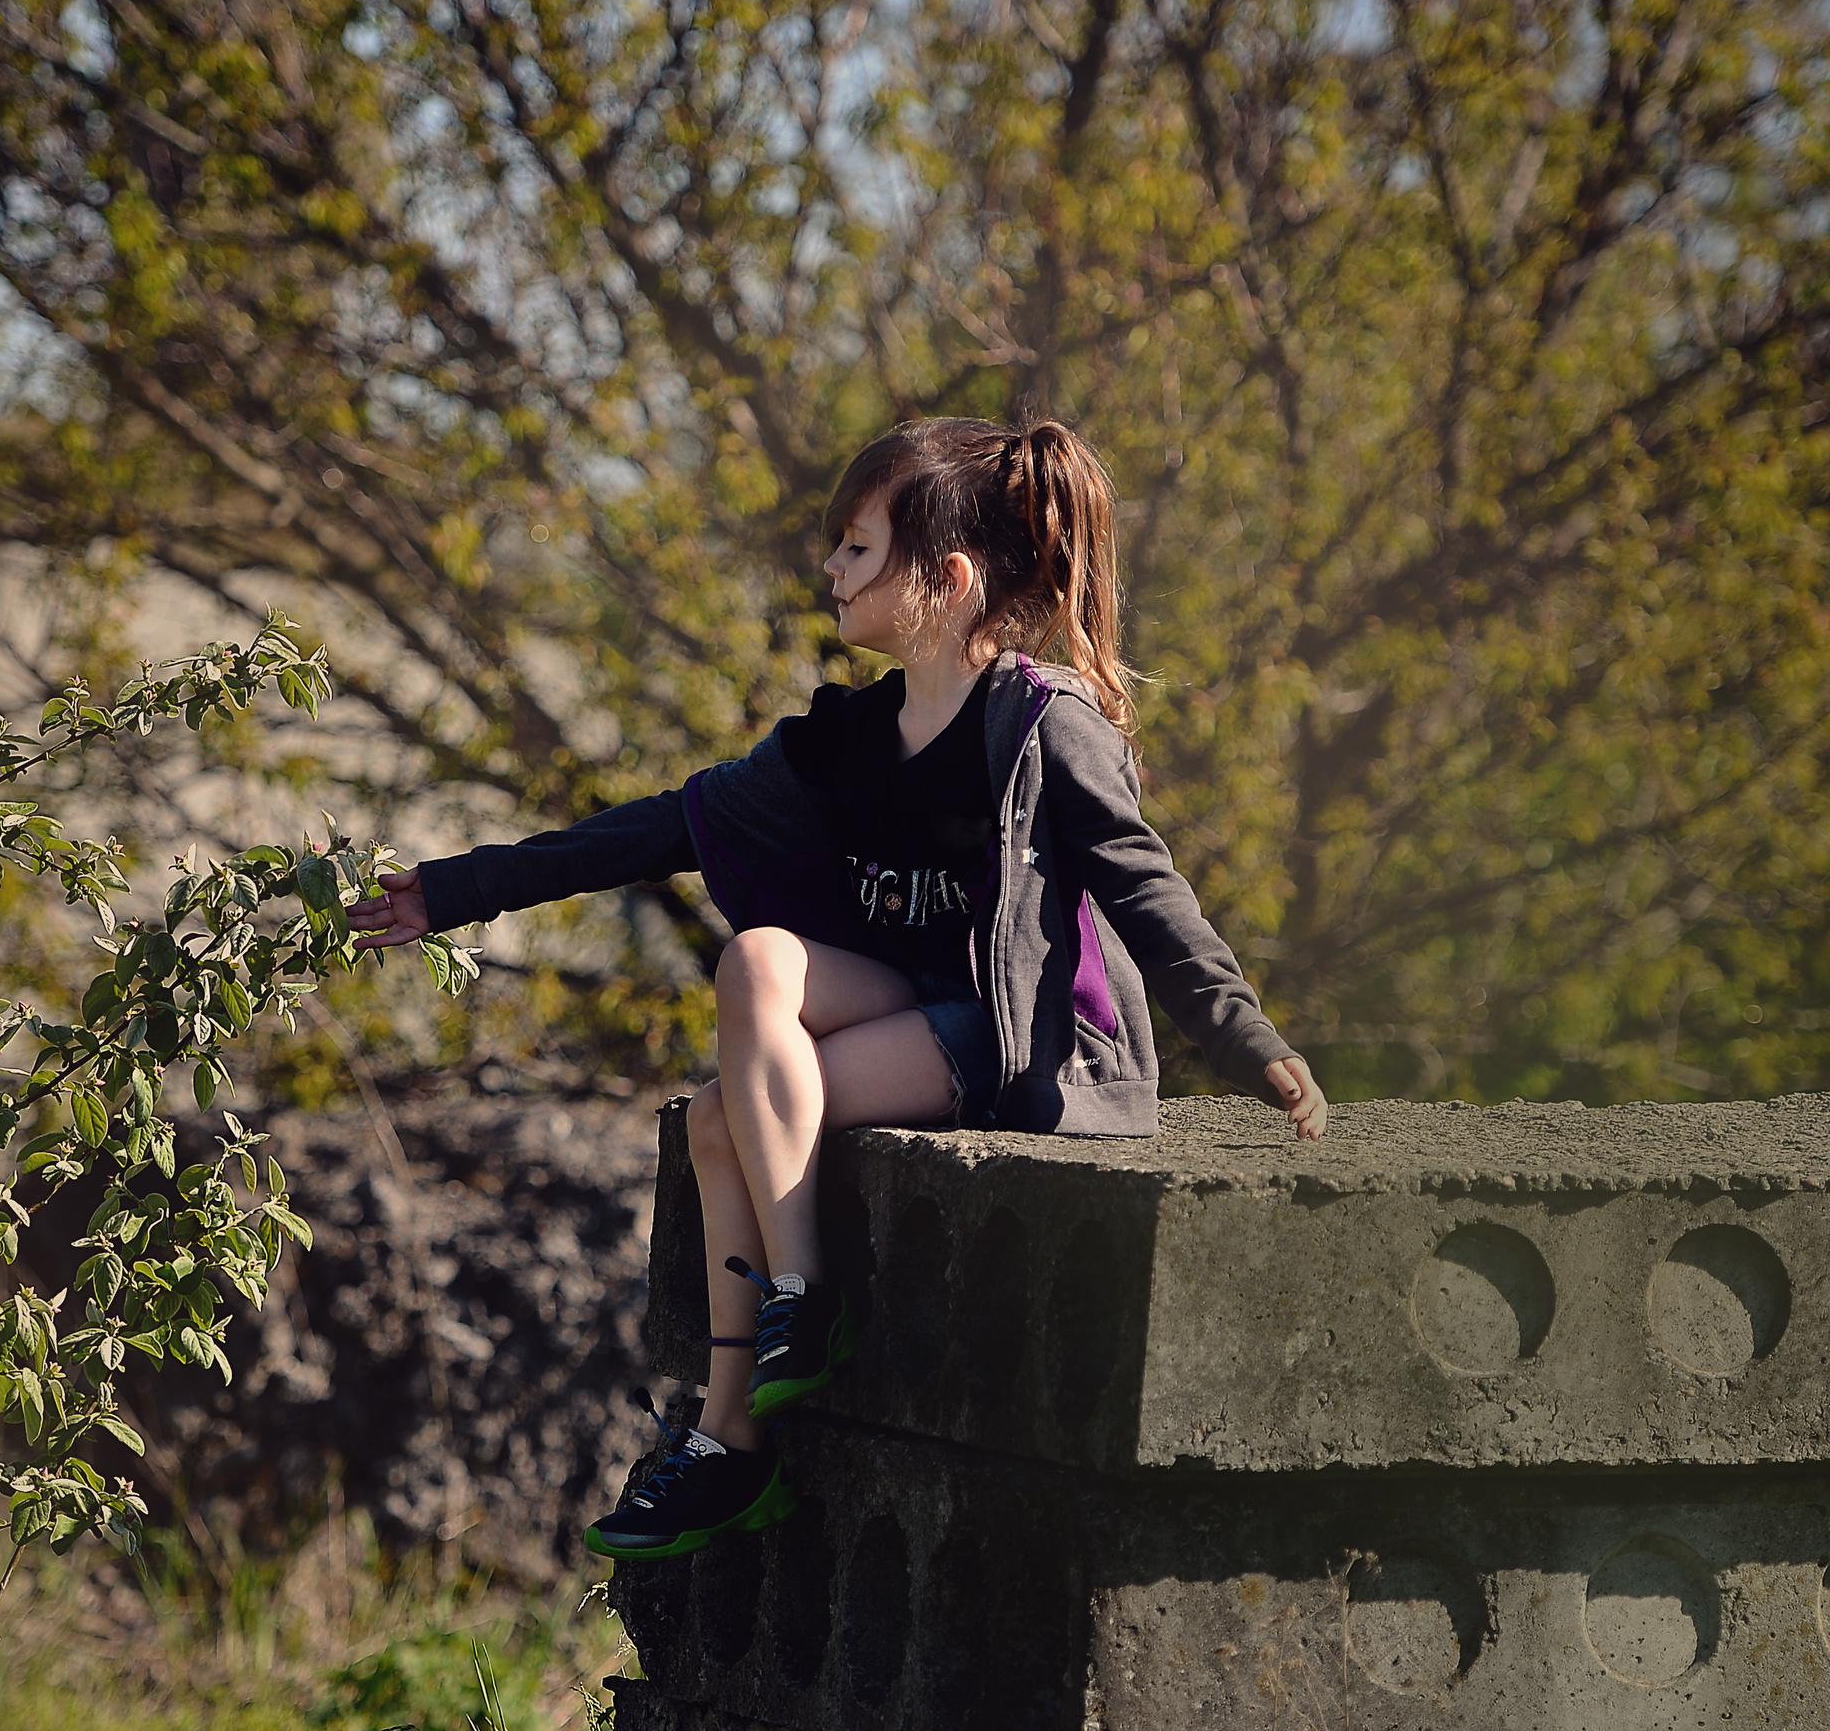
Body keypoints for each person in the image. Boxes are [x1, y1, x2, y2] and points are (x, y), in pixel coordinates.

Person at [344, 416, 1328, 1561]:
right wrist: (454, 890)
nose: (830, 568)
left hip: (1018, 1037)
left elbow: (1144, 885)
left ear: (946, 579)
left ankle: (738, 1420)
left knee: (724, 1118)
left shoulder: (1040, 727)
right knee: (753, 974)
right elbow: (664, 827)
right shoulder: (848, 738)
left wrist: (1242, 1036)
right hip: (909, 1008)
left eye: (857, 549)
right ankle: (781, 1337)